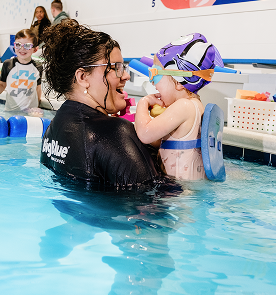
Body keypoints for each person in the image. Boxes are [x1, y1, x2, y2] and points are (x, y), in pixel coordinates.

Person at [40, 19, 161, 189]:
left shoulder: (53, 128)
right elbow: (153, 205)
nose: (125, 76)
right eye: (116, 67)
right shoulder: (114, 133)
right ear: (83, 77)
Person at [135, 33, 224, 181]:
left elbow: (145, 134)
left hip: (179, 191)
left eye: (154, 74)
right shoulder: (196, 106)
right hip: (188, 190)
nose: (152, 82)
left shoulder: (183, 106)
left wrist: (143, 103)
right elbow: (160, 141)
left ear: (178, 82)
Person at [0, 29, 42, 111]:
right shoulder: (8, 64)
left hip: (30, 111)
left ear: (35, 49)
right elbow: (2, 85)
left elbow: (38, 88)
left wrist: (37, 107)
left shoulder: (38, 67)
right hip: (11, 110)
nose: (22, 49)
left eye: (27, 46)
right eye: (18, 45)